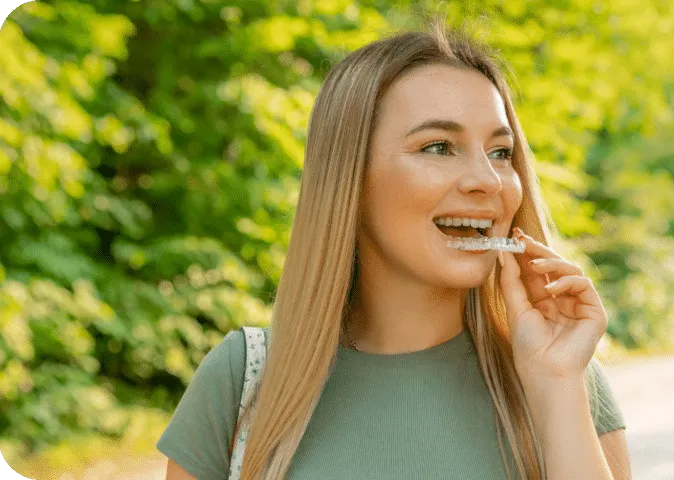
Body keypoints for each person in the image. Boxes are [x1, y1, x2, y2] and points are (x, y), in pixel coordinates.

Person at [156, 20, 630, 480]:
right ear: (350, 179)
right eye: (439, 147)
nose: (488, 181)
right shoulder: (241, 382)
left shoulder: (563, 377)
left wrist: (555, 387)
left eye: (501, 152)